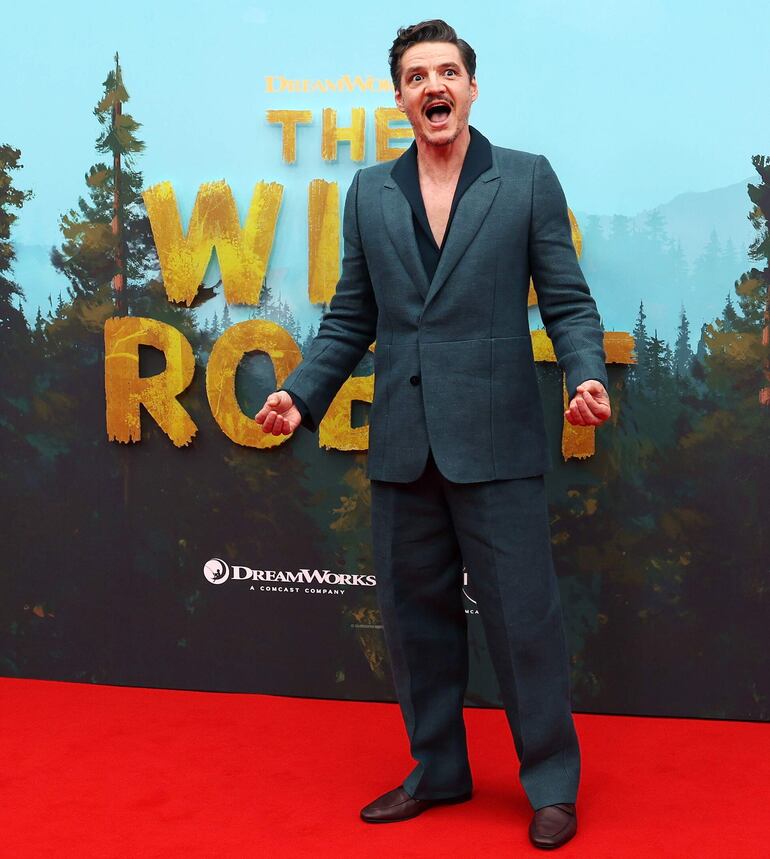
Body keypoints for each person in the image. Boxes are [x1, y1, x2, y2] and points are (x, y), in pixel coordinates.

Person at [255, 19, 611, 850]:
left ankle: (552, 782)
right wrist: (302, 396)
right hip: (404, 443)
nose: (434, 86)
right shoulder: (370, 193)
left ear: (472, 88)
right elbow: (351, 317)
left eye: (448, 72)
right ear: (401, 99)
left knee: (525, 620)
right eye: (417, 77)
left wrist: (586, 373)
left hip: (498, 444)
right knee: (414, 623)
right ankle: (440, 769)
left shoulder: (524, 180)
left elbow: (566, 299)